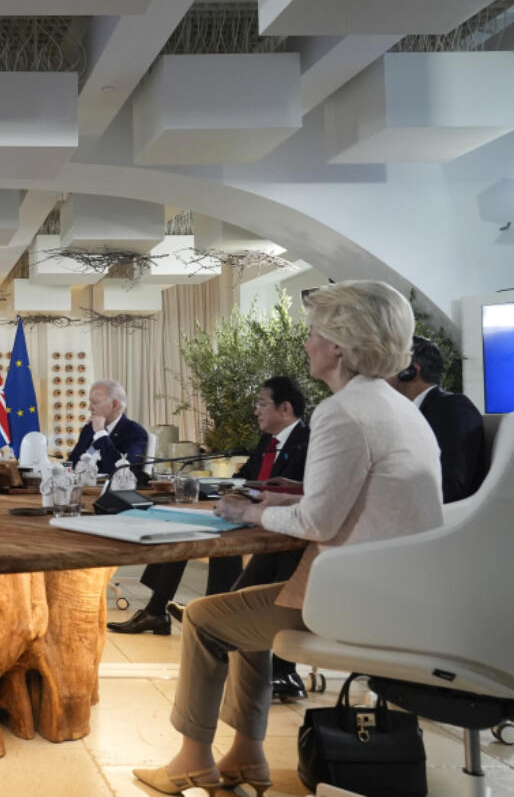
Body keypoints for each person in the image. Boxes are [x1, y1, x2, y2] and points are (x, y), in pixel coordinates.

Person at [132, 280, 443, 796]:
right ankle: (245, 755)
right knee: (243, 614)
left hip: (357, 602)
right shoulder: (397, 408)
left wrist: (246, 512)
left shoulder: (342, 413)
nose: (307, 343)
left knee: (208, 619)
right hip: (399, 593)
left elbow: (318, 526)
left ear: (339, 345)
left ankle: (191, 758)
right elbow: (356, 500)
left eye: (314, 332)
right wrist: (281, 502)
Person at [110, 377, 309, 640]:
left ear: (285, 408)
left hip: (275, 523)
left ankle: (211, 612)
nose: (255, 410)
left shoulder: (307, 441)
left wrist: (245, 494)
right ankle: (161, 610)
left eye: (261, 403)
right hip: (246, 513)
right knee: (184, 526)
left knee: (217, 533)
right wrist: (213, 484)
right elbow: (247, 476)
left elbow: (295, 490)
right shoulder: (268, 440)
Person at [389, 334, 487, 502]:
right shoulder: (409, 412)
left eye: (386, 367)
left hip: (439, 520)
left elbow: (452, 486)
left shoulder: (454, 408)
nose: (378, 376)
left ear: (410, 372)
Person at [67, 379, 149, 476]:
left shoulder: (135, 432)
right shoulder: (89, 428)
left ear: (115, 404)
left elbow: (120, 470)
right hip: (81, 487)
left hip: (109, 489)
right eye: (90, 402)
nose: (90, 408)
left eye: (95, 402)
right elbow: (72, 462)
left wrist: (101, 434)